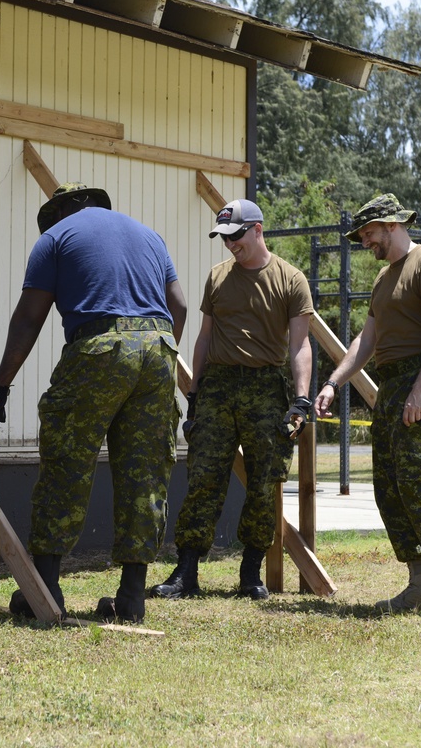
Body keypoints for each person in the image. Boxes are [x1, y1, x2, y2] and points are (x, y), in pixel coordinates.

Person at [0, 182, 186, 624]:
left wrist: (2, 384)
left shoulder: (56, 238)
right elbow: (178, 306)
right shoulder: (149, 235)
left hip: (99, 346)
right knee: (145, 471)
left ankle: (45, 592)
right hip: (160, 348)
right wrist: (154, 347)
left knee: (67, 460)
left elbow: (29, 317)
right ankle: (132, 598)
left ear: (59, 212)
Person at [313, 193, 421, 617]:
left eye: (369, 233)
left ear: (391, 225)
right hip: (390, 384)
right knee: (388, 484)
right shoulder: (383, 279)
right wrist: (335, 381)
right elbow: (365, 341)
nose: (365, 241)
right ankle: (420, 584)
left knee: (416, 476)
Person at [151, 198, 313, 602]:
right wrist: (194, 393)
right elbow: (204, 337)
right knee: (203, 478)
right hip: (219, 387)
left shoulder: (291, 279)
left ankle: (250, 573)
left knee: (263, 483)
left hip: (266, 387)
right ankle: (186, 572)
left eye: (236, 237)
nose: (230, 245)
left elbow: (300, 345)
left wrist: (301, 400)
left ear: (257, 230)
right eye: (224, 238)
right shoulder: (217, 277)